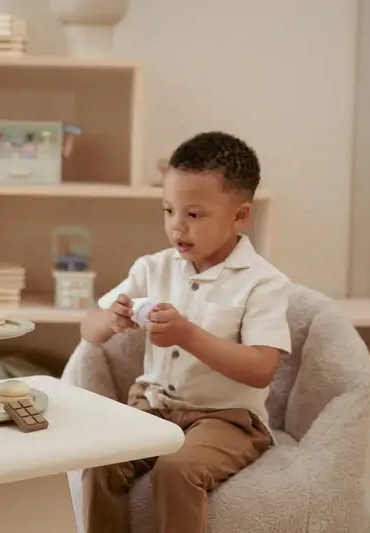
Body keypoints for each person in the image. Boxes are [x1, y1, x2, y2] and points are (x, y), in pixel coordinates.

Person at [80, 131, 291, 533]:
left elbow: (262, 368)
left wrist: (187, 334)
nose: (177, 227)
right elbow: (88, 327)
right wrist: (111, 320)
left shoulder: (263, 282)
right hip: (153, 408)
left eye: (194, 215)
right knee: (100, 460)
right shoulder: (152, 268)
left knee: (177, 471)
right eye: (168, 210)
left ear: (241, 215)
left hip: (228, 420)